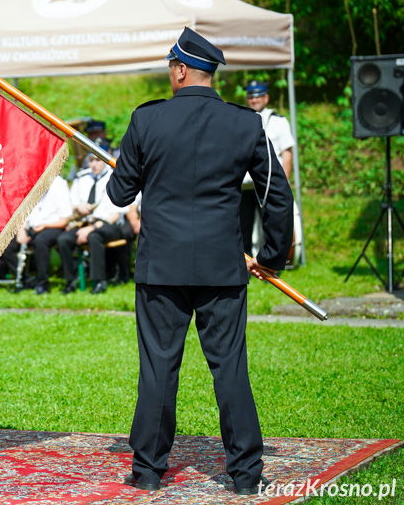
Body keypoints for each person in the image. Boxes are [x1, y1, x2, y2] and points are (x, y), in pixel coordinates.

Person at [107, 28, 293, 494]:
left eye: (170, 67)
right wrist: (272, 256)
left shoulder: (147, 119)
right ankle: (246, 474)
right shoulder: (245, 123)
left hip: (161, 268)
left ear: (180, 69)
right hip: (221, 266)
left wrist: (130, 166)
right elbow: (277, 196)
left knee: (158, 368)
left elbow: (119, 194)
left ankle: (148, 471)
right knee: (229, 367)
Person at [58, 153, 139, 294]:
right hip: (85, 223)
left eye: (98, 160)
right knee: (63, 239)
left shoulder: (115, 178)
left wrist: (91, 229)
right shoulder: (81, 178)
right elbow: (71, 204)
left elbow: (115, 215)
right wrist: (78, 207)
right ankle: (70, 280)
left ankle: (99, 281)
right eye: (91, 160)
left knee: (94, 237)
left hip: (110, 225)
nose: (94, 164)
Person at [240, 79, 295, 254]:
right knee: (243, 229)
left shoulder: (279, 121)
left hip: (267, 185)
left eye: (258, 96)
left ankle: (270, 263)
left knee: (271, 227)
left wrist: (283, 184)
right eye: (250, 96)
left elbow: (287, 153)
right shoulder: (242, 119)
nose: (254, 100)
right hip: (245, 187)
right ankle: (245, 264)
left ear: (266, 98)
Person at [1, 175, 73, 294]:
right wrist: (21, 230)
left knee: (40, 241)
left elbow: (64, 220)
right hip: (31, 227)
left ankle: (42, 283)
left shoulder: (60, 184)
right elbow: (22, 212)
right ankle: (26, 280)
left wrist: (45, 226)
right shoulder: (30, 182)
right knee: (5, 245)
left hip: (53, 226)